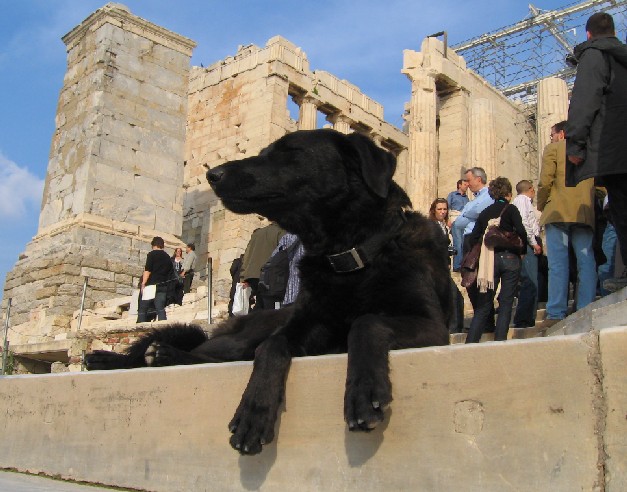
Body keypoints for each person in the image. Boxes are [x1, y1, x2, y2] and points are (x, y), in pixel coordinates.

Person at [565, 12, 627, 292]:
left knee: (622, 209)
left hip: (615, 150)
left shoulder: (593, 55)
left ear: (588, 35)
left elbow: (584, 101)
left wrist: (575, 145)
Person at [538, 121, 597, 328]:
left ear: (561, 134)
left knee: (557, 264)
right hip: (583, 210)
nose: (551, 139)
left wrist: (540, 203)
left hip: (558, 210)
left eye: (552, 135)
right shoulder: (591, 149)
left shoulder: (554, 149)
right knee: (586, 260)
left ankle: (555, 312)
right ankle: (586, 307)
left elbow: (545, 181)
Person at [465, 177, 527, 343]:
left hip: (489, 260)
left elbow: (473, 237)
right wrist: (523, 250)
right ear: (508, 192)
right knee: (506, 302)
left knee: (484, 305)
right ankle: (500, 341)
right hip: (510, 257)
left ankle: (471, 342)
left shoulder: (485, 213)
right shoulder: (511, 209)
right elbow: (521, 231)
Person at [512, 180, 542, 328]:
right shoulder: (523, 201)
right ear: (530, 189)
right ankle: (525, 318)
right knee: (530, 282)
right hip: (527, 243)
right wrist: (533, 242)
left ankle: (527, 317)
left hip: (525, 243)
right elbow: (524, 223)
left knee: (529, 281)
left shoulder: (518, 201)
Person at [452, 167, 494, 272]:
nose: (467, 184)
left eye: (469, 180)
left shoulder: (488, 195)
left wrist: (466, 213)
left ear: (478, 179)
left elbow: (478, 211)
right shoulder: (474, 199)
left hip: (476, 238)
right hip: (468, 238)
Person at [240, 222, 285, 309]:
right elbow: (283, 254)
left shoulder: (257, 234)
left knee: (260, 302)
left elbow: (246, 255)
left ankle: (254, 321)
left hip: (253, 276)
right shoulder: (281, 232)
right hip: (270, 274)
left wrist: (243, 277)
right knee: (270, 305)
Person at [137, 236, 176, 323]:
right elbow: (170, 273)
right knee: (160, 308)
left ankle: (140, 327)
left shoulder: (151, 255)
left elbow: (148, 270)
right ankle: (163, 327)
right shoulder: (168, 257)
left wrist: (143, 283)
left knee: (143, 308)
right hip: (163, 285)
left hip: (151, 285)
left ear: (153, 245)